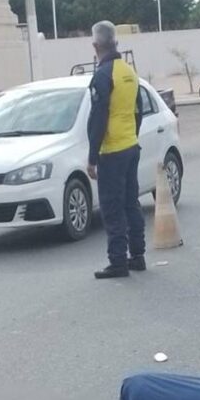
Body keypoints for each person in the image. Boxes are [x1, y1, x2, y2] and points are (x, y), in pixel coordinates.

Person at [86, 21, 145, 279]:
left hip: (112, 150)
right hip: (131, 145)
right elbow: (139, 109)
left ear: (95, 46)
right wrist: (132, 134)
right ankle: (138, 255)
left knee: (112, 208)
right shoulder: (129, 71)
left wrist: (92, 157)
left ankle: (118, 261)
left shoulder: (102, 75)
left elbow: (98, 118)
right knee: (131, 203)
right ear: (116, 43)